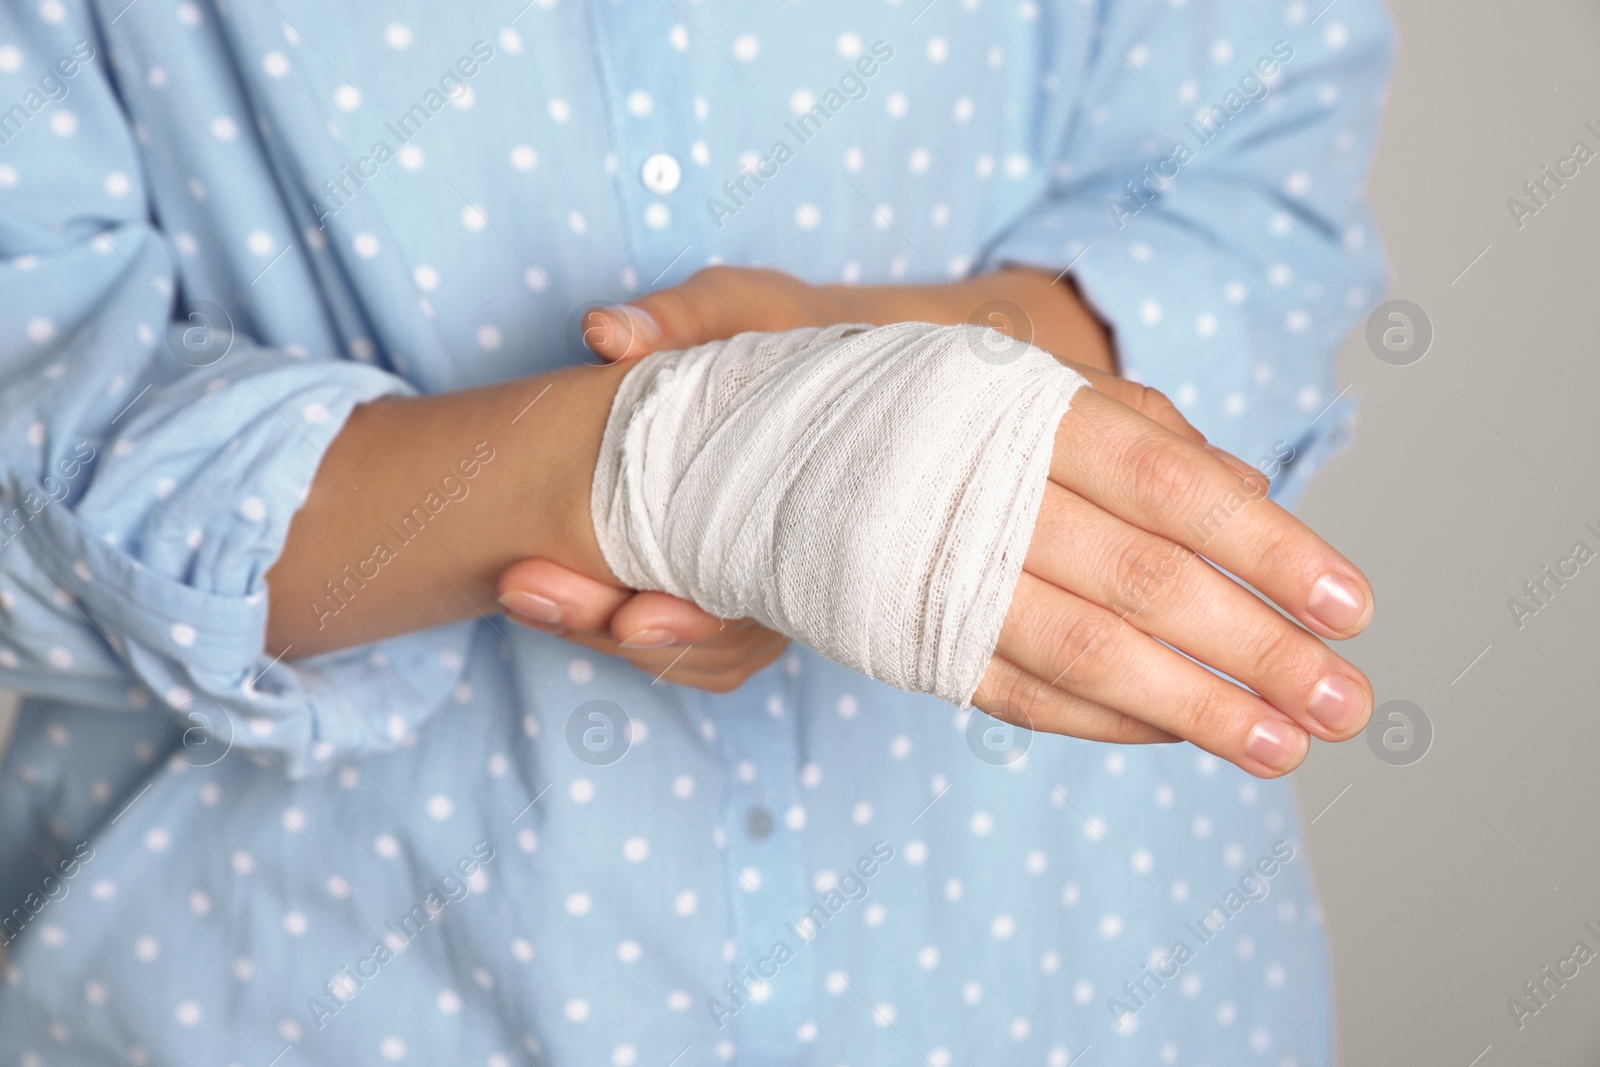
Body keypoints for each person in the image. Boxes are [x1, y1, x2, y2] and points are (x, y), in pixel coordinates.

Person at [0, 0, 1392, 1063]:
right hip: (318, 989)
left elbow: (1251, 187)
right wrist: (655, 468)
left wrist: (857, 412)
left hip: (1073, 969)